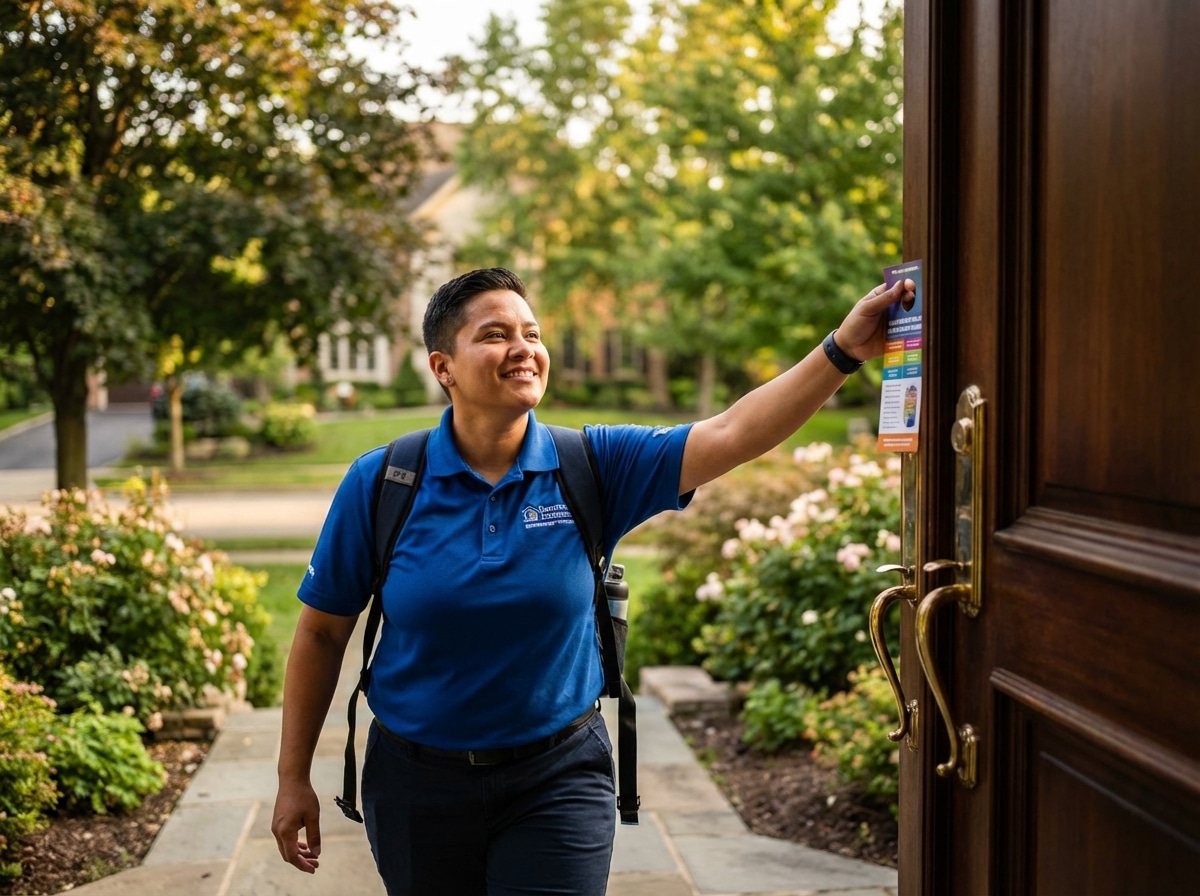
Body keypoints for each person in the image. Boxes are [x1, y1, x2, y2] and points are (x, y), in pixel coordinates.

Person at [271, 266, 915, 895]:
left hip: (557, 779)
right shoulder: (384, 482)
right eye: (495, 334)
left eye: (531, 333)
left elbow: (733, 431)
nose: (523, 348)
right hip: (415, 785)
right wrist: (292, 777)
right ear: (444, 368)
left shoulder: (593, 465)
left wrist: (841, 351)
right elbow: (322, 633)